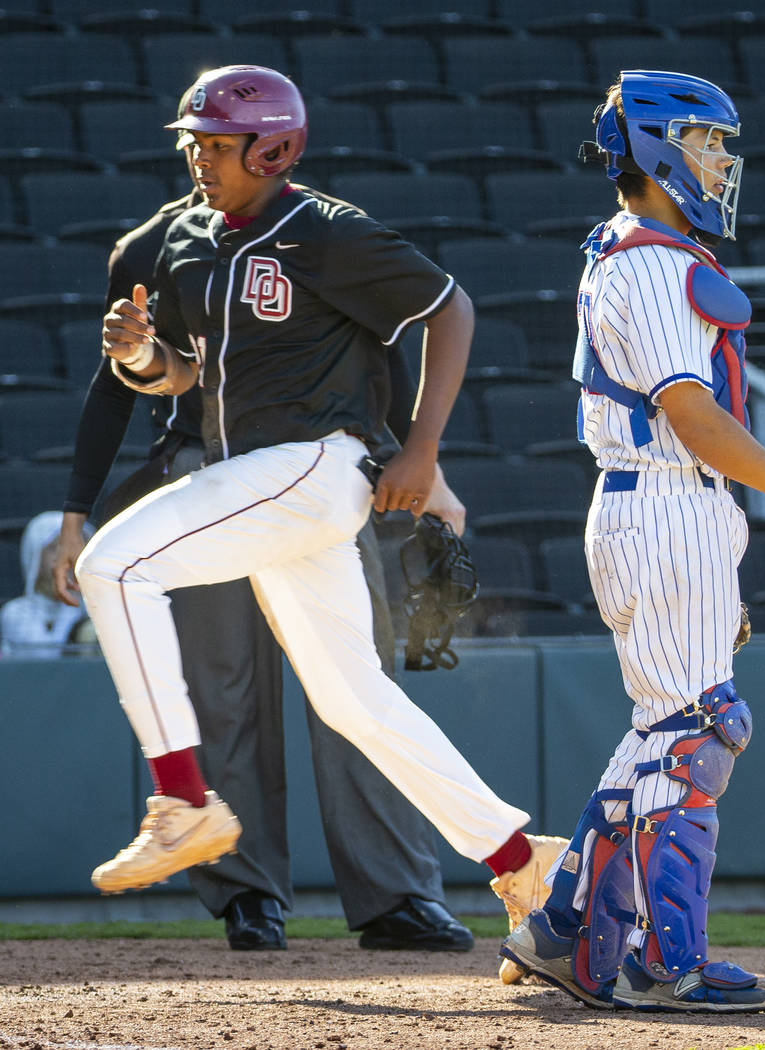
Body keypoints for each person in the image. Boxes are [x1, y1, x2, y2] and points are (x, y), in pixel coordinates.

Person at [72, 65, 561, 928]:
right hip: (259, 484)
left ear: (277, 147)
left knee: (115, 564)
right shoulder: (190, 241)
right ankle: (525, 862)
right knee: (352, 699)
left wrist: (423, 450)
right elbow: (189, 379)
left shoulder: (327, 230)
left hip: (312, 466)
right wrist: (142, 359)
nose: (201, 159)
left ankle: (183, 800)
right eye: (196, 144)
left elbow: (451, 309)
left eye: (220, 145)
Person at [499, 70, 765, 1013]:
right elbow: (693, 418)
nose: (720, 162)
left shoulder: (635, 250)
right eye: (706, 144)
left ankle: (564, 929)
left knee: (666, 732)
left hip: (667, 510)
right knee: (699, 732)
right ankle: (668, 963)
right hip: (664, 501)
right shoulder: (654, 261)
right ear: (658, 150)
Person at [1, 511, 94, 659]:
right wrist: (71, 601)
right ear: (35, 556)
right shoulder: (16, 612)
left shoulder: (96, 608)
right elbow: (47, 660)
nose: (67, 556)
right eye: (55, 548)